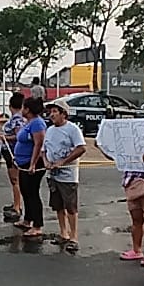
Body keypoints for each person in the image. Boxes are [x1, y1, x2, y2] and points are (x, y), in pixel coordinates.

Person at [102, 117, 144, 268]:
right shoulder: (133, 142)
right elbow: (118, 157)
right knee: (136, 220)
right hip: (132, 184)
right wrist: (102, 147)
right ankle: (137, 249)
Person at [41, 99, 88, 252]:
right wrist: (46, 161)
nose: (52, 115)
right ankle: (63, 233)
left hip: (68, 176)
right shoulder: (49, 130)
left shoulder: (72, 129)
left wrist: (63, 161)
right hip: (52, 175)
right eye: (51, 112)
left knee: (70, 207)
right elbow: (43, 150)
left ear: (64, 114)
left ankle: (74, 236)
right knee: (58, 206)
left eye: (55, 111)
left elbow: (81, 148)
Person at [13, 97, 48, 238]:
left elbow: (38, 144)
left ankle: (37, 225)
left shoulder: (38, 124)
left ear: (28, 109)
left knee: (32, 193)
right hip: (23, 162)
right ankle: (28, 219)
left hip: (32, 163)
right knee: (25, 191)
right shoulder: (29, 123)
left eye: (24, 107)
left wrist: (33, 163)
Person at [0, 92, 27, 222]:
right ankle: (16, 203)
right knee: (14, 180)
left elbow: (18, 136)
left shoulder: (17, 120)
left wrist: (5, 137)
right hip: (9, 152)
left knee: (15, 180)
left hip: (13, 153)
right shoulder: (17, 119)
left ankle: (17, 206)